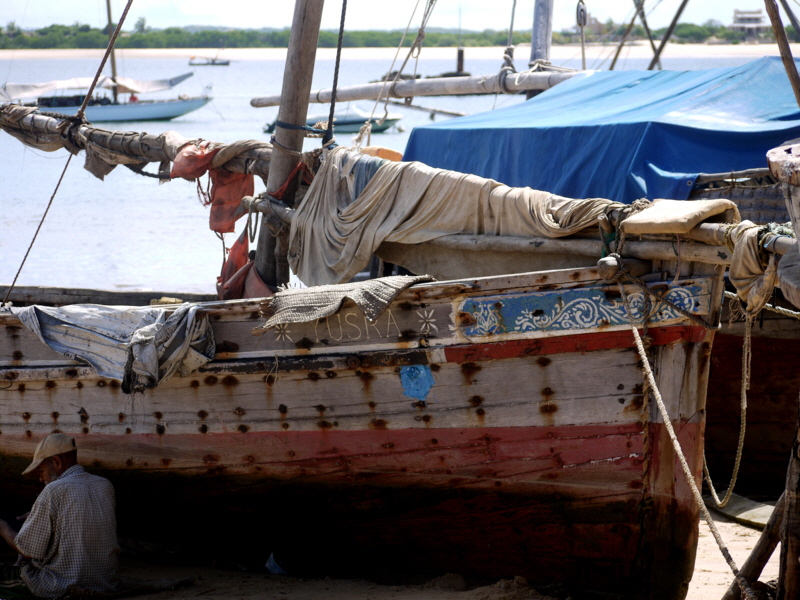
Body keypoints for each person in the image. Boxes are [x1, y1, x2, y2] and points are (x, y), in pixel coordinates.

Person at [0, 434, 119, 599]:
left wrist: (3, 528)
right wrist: (39, 516)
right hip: (105, 583)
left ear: (57, 462)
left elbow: (27, 551)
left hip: (59, 586)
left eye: (41, 470)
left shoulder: (53, 490)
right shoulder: (104, 485)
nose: (40, 478)